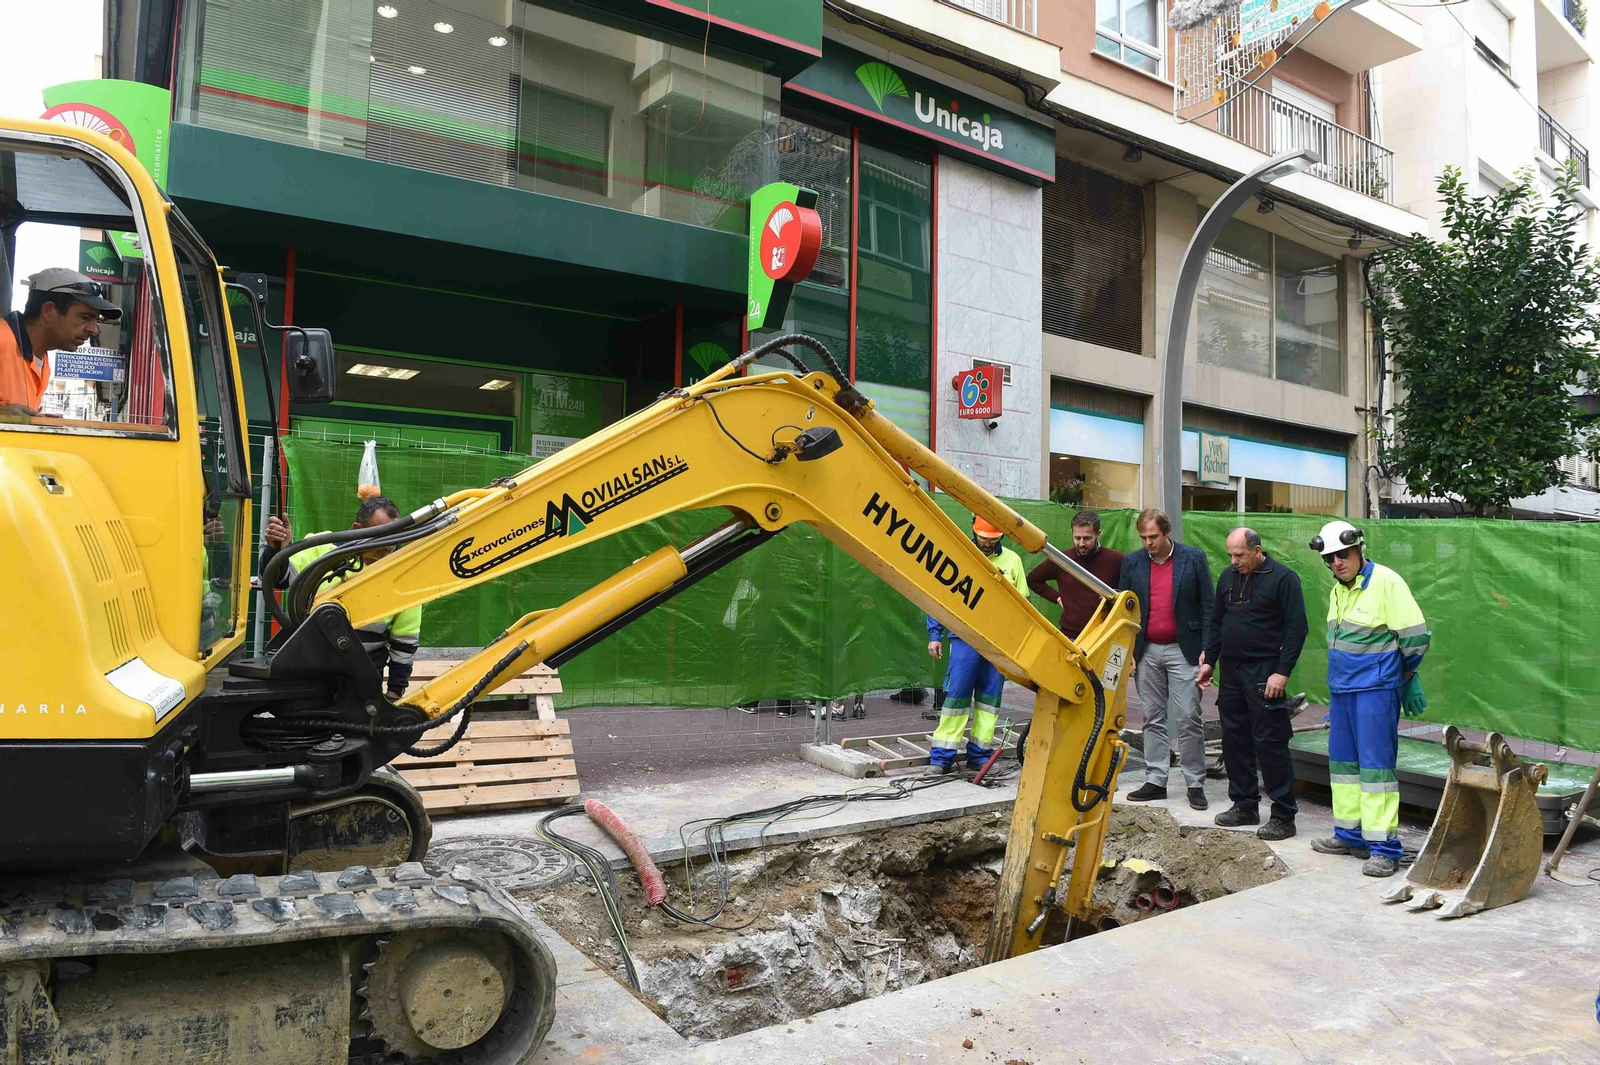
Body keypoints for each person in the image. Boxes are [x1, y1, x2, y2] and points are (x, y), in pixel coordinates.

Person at [1308, 520, 1430, 877]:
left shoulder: (1387, 583)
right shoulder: (1337, 591)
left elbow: (1415, 637)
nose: (1336, 563)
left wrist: (1407, 676)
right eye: (1329, 559)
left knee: (1376, 770)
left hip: (1377, 690)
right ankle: (1350, 835)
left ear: (1359, 548)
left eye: (1342, 555)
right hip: (1343, 690)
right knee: (1343, 767)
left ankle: (1384, 849)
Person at [1201, 527, 1308, 840]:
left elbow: (1296, 629)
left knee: (1270, 743)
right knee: (1235, 741)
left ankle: (1284, 816)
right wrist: (1209, 661)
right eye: (1230, 555)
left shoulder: (1284, 579)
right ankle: (1244, 804)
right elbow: (1217, 623)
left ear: (1257, 550)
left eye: (1240, 555)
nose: (1234, 561)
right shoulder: (1227, 578)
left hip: (1265, 673)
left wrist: (1282, 671)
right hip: (1232, 673)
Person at [262, 498, 422, 700]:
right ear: (357, 528)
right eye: (379, 535)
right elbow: (278, 579)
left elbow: (405, 639)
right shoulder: (322, 548)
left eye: (394, 535)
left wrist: (394, 692)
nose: (388, 545)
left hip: (363, 675)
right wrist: (277, 550)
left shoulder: (402, 570)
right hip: (311, 669)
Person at [1118, 508, 1215, 810]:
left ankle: (1195, 782)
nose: (1148, 542)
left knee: (1188, 716)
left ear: (1167, 532)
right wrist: (1130, 651)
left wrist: (1207, 650)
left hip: (1183, 649)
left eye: (1154, 537)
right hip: (1146, 649)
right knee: (1152, 718)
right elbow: (1126, 609)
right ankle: (1156, 779)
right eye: (1144, 537)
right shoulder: (1133, 562)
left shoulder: (1193, 558)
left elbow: (1208, 605)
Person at [924, 515, 1029, 775]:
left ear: (1001, 535)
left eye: (992, 539)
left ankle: (979, 756)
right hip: (965, 637)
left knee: (989, 701)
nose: (987, 543)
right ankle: (941, 759)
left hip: (998, 643)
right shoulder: (959, 554)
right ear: (973, 529)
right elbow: (940, 597)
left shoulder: (1013, 561)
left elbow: (1022, 606)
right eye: (983, 538)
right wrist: (934, 634)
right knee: (956, 698)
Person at [1, 268, 121, 415]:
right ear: (49, 310)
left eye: (96, 320)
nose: (94, 330)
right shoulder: (3, 340)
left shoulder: (42, 362)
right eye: (85, 317)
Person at [1027, 509, 1124, 639]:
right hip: (1070, 637)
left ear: (1098, 534)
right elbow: (1033, 579)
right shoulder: (1063, 560)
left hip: (1104, 637)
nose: (1082, 543)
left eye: (1087, 538)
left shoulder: (1116, 560)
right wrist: (1057, 598)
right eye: (1077, 538)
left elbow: (1129, 593)